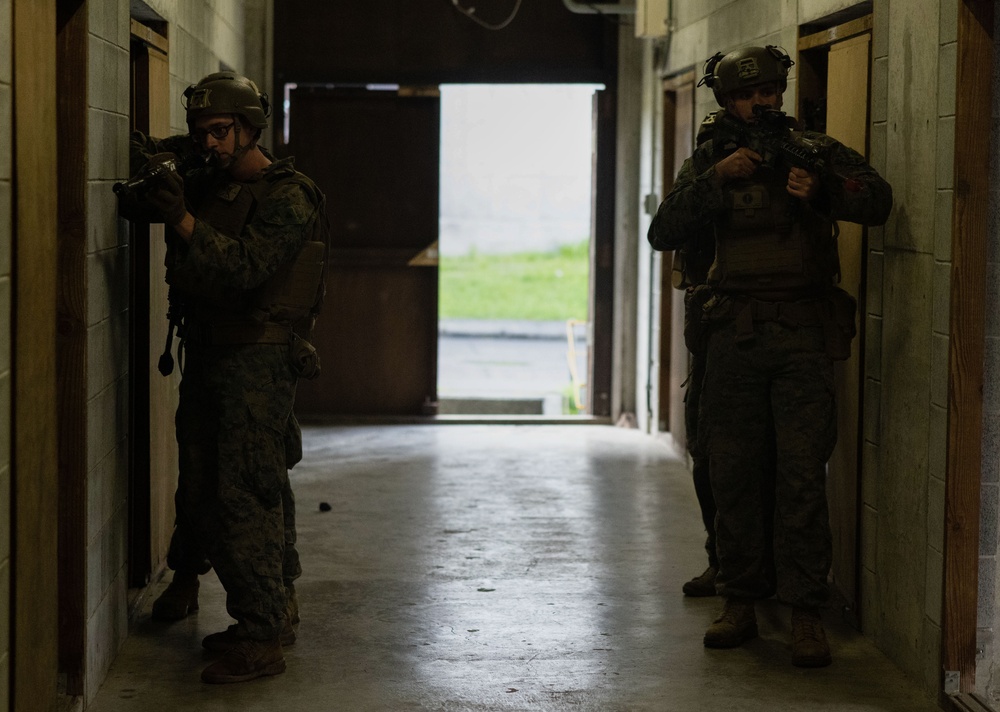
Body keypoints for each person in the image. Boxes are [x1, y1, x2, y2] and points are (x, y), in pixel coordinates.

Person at [648, 46, 892, 667]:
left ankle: (807, 611)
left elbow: (878, 200)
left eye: (772, 92)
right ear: (727, 100)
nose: (765, 102)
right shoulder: (707, 159)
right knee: (734, 474)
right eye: (752, 94)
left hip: (802, 338)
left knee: (803, 474)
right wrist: (716, 179)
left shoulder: (812, 151)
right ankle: (741, 602)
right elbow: (663, 231)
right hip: (733, 338)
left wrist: (825, 193)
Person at [117, 71, 327, 683]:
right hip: (210, 358)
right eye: (200, 133)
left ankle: (262, 639)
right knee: (216, 486)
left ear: (250, 129)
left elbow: (244, 270)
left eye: (219, 131)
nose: (208, 143)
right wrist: (160, 165)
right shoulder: (209, 177)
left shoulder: (288, 197)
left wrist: (180, 216)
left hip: (257, 364)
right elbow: (134, 192)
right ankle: (269, 614)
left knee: (247, 495)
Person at [676, 114, 777, 600]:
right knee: (709, 451)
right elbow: (666, 229)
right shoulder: (700, 173)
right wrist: (715, 177)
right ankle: (722, 560)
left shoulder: (787, 162)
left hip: (775, 329)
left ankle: (766, 570)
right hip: (714, 326)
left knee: (774, 461)